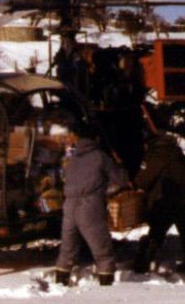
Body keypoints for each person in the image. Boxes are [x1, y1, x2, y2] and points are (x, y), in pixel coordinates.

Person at [52, 121, 129, 286]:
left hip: (69, 207)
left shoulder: (72, 158)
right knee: (102, 249)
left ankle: (60, 283)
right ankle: (106, 284)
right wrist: (120, 168)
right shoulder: (100, 156)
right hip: (90, 206)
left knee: (67, 249)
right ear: (96, 138)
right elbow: (121, 180)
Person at [132, 130, 185, 280]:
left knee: (156, 233)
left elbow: (143, 180)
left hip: (164, 200)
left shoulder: (155, 156)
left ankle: (142, 264)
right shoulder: (180, 156)